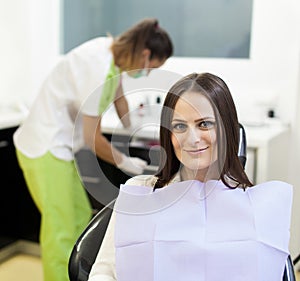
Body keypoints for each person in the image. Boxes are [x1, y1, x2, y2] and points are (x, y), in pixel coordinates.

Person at [88, 72, 293, 281]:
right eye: (179, 126)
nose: (192, 138)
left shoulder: (256, 209)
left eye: (204, 124)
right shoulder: (141, 193)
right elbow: (104, 272)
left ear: (227, 129)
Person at [13, 18, 173, 281]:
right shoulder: (96, 64)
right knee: (60, 230)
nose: (146, 74)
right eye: (150, 69)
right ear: (144, 54)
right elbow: (92, 138)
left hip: (61, 148)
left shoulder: (112, 56)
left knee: (78, 221)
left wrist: (133, 125)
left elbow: (118, 92)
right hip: (44, 146)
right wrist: (125, 162)